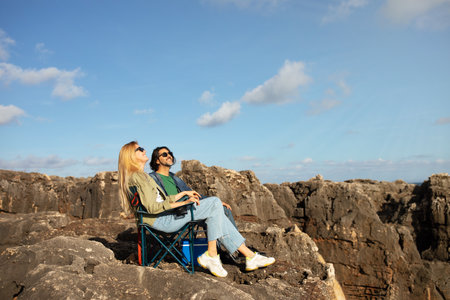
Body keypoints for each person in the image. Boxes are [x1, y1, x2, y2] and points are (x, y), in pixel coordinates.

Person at [118, 141, 275, 278]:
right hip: (161, 221)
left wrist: (183, 194)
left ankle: (245, 255)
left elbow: (161, 200)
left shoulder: (142, 176)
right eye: (140, 149)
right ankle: (216, 255)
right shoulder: (139, 177)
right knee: (214, 204)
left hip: (163, 217)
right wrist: (181, 204)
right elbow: (152, 207)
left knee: (215, 208)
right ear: (131, 157)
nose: (144, 150)